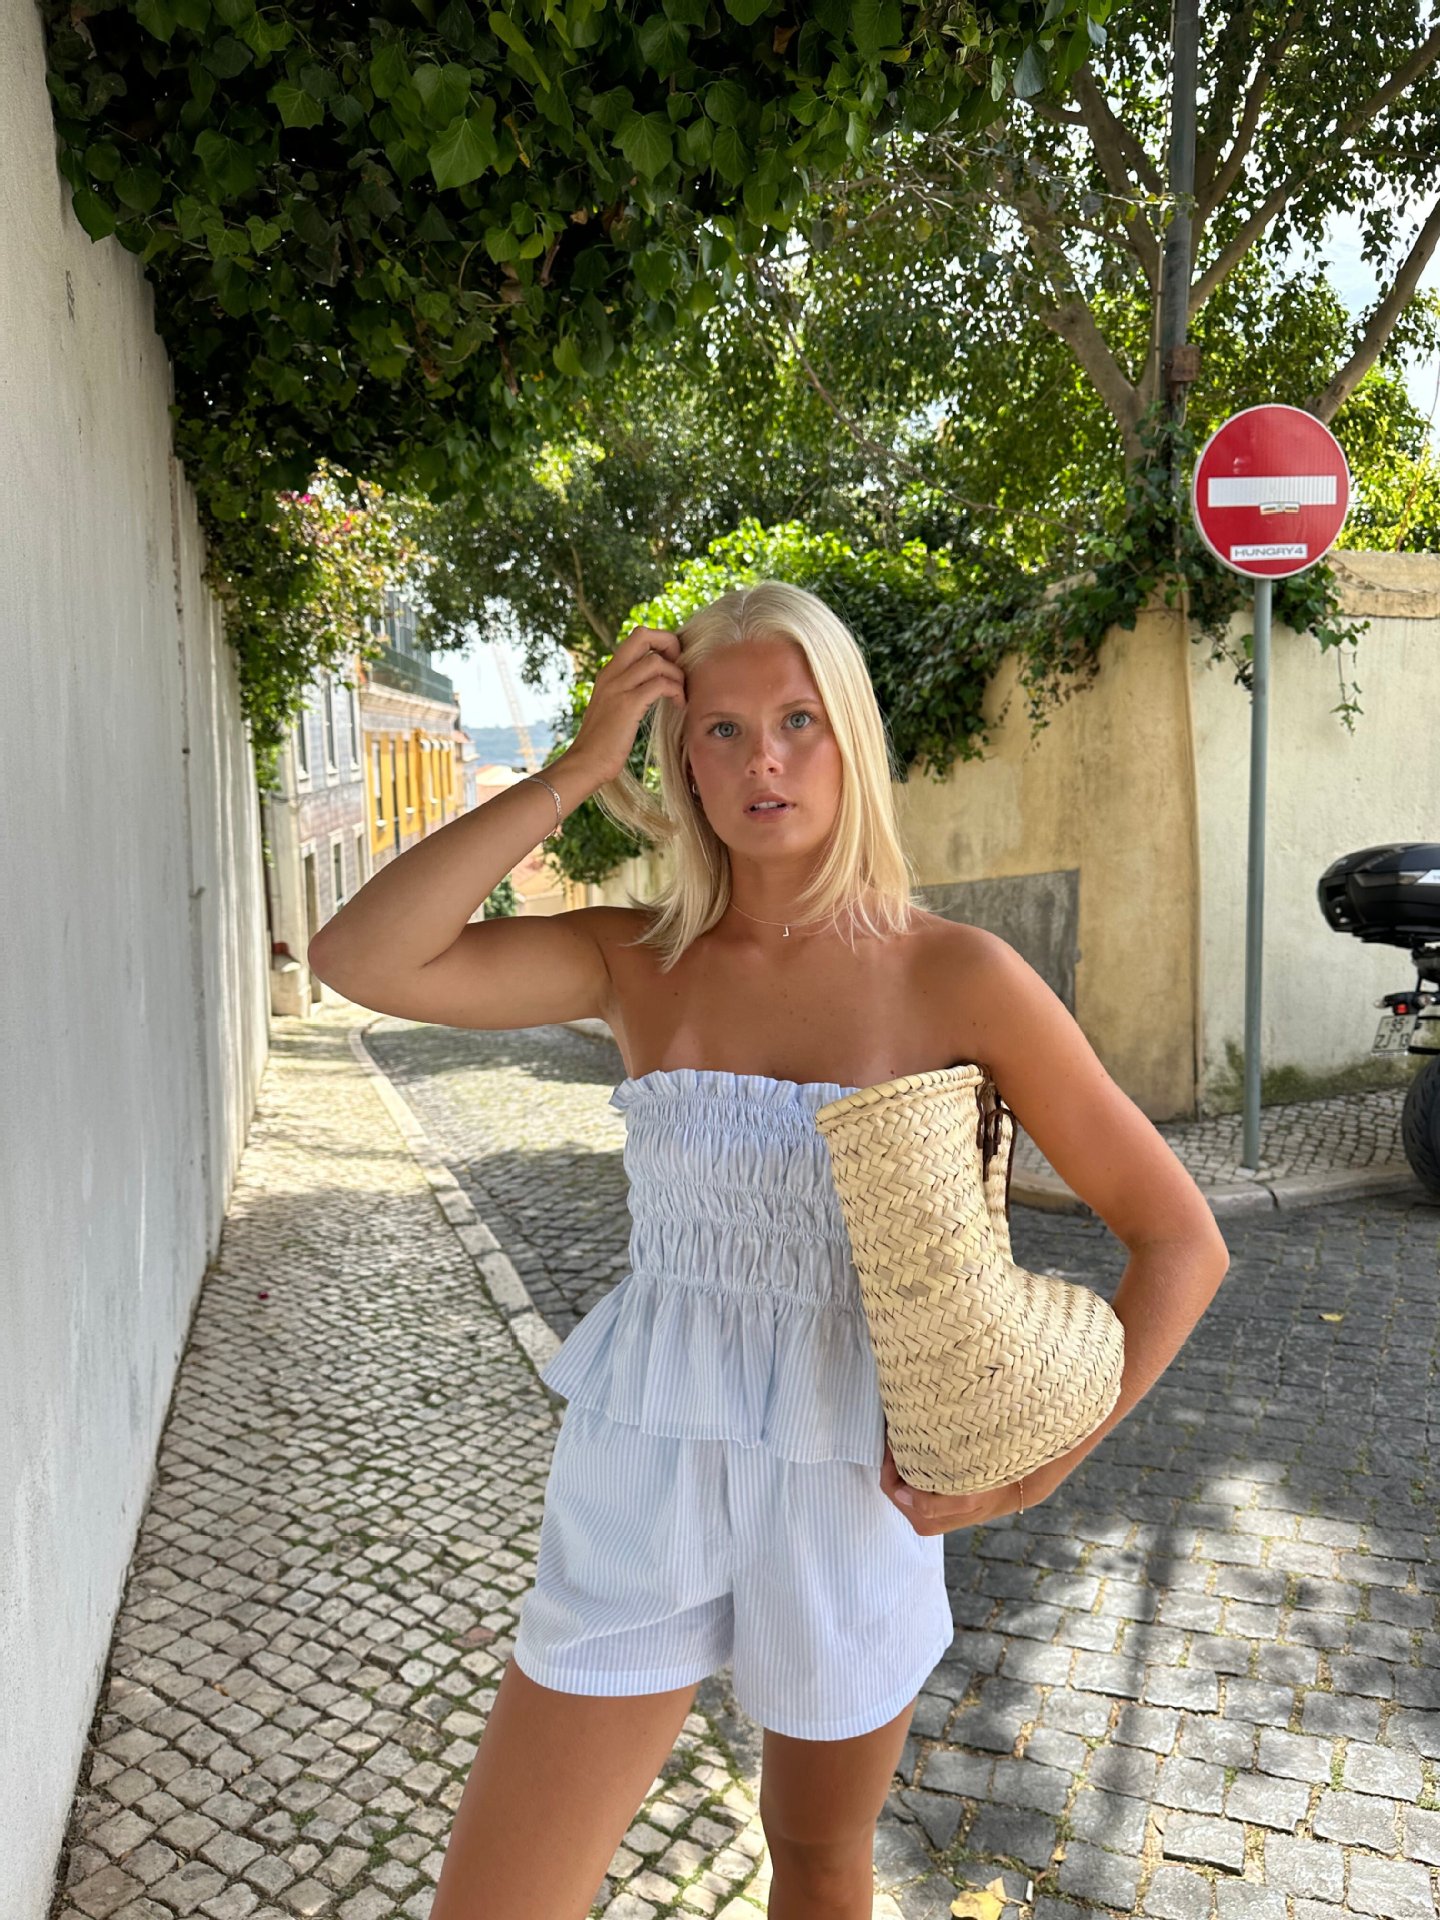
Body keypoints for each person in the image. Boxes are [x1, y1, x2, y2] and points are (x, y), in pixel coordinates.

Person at [307, 581, 1230, 1920]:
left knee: (816, 1857)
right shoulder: (637, 958)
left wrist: (1042, 1464)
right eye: (723, 730)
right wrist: (577, 771)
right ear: (682, 760)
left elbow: (1180, 1240)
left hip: (855, 1478)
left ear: (851, 734)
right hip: (644, 1461)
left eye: (799, 720)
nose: (765, 761)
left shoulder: (956, 976)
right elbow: (362, 956)